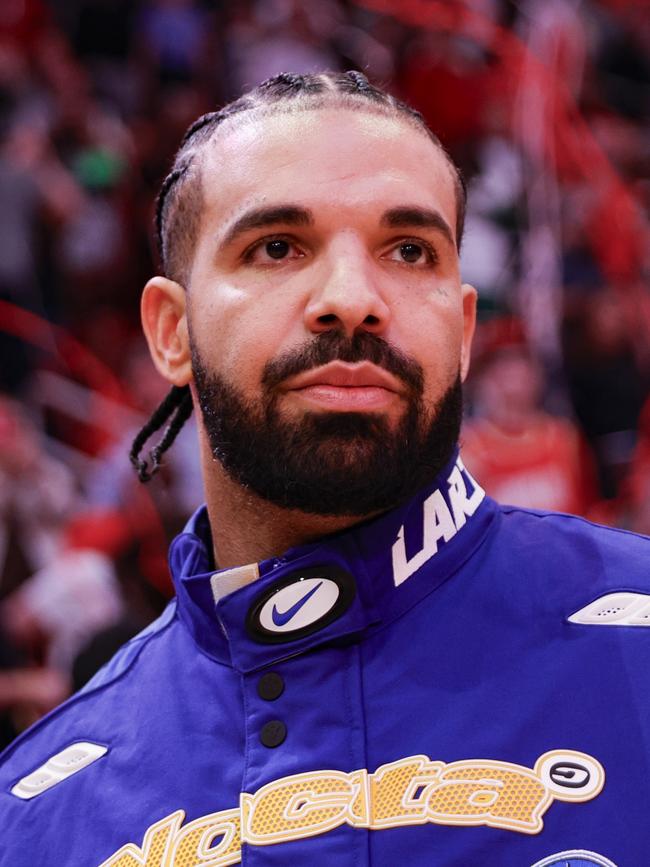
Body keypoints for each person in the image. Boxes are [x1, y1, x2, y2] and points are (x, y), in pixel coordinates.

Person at [0, 71, 647, 867]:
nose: (351, 298)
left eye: (410, 251)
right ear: (171, 331)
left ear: (466, 328)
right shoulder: (37, 815)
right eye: (278, 247)